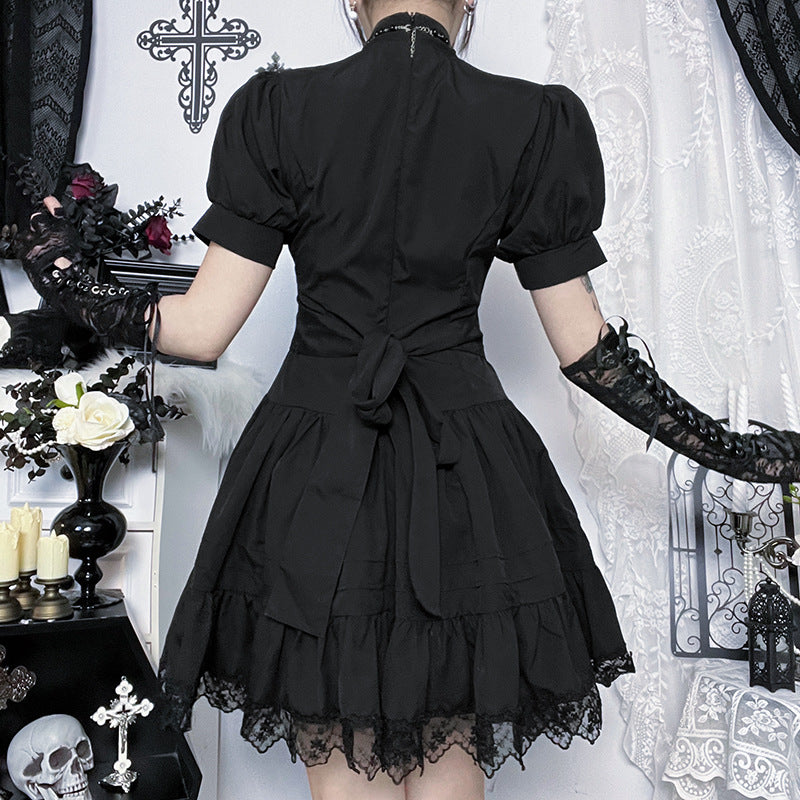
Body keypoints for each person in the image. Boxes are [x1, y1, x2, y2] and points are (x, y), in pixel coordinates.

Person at [14, 2, 800, 798]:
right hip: (467, 470)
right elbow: (588, 352)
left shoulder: (278, 111)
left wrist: (60, 268)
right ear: (471, 5)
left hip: (313, 462)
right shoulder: (533, 121)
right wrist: (738, 452)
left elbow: (196, 329)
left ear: (352, 5)